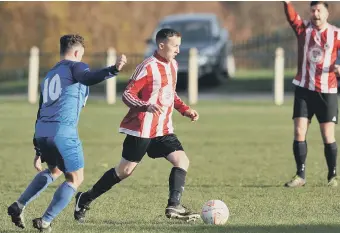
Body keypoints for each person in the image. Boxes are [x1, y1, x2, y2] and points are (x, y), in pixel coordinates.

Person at [73, 28, 201, 223]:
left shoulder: (173, 65)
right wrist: (145, 106)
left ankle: (174, 205)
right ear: (161, 45)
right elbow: (128, 94)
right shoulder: (147, 67)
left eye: (179, 46)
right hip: (142, 129)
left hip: (163, 129)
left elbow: (169, 94)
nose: (178, 50)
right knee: (124, 171)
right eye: (175, 46)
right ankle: (85, 198)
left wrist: (185, 110)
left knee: (182, 160)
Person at [7, 34, 127, 231]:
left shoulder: (49, 74)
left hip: (42, 131)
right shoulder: (76, 66)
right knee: (75, 179)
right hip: (63, 132)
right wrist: (113, 70)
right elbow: (87, 78)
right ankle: (45, 221)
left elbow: (40, 108)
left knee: (54, 170)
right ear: (78, 52)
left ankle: (18, 205)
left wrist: (38, 149)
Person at [283, 1, 340, 187]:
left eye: (319, 11)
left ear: (327, 13)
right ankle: (300, 176)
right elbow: (292, 17)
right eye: (313, 10)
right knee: (299, 131)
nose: (315, 14)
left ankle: (332, 177)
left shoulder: (336, 34)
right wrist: (287, 2)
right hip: (304, 89)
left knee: (327, 135)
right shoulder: (303, 30)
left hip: (327, 90)